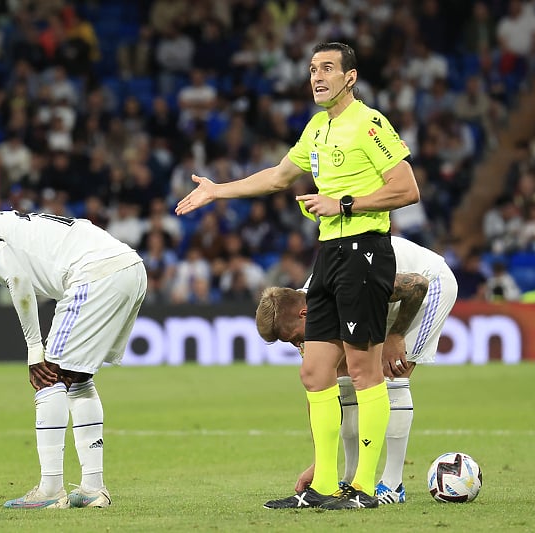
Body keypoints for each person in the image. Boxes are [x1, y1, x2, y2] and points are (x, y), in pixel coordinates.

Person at [176, 42, 420, 509]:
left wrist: (344, 203)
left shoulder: (369, 124)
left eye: (327, 68)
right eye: (312, 69)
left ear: (350, 77)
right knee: (314, 371)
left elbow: (407, 188)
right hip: (329, 254)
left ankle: (366, 488)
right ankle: (325, 484)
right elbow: (276, 177)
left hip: (365, 249)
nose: (317, 76)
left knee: (366, 371)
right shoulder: (318, 127)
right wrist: (217, 191)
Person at [0, 187, 147, 509]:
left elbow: (20, 281)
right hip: (129, 268)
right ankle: (93, 488)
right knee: (77, 380)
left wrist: (35, 350)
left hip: (95, 274)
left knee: (48, 378)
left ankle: (51, 490)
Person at [255, 236, 459, 506]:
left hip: (428, 285)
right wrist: (320, 462)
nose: (296, 345)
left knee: (393, 372)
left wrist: (396, 335)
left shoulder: (347, 284)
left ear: (304, 314)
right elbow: (319, 388)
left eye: (293, 338)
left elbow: (417, 285)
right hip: (382, 300)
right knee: (341, 374)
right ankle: (349, 481)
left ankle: (392, 483)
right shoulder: (311, 308)